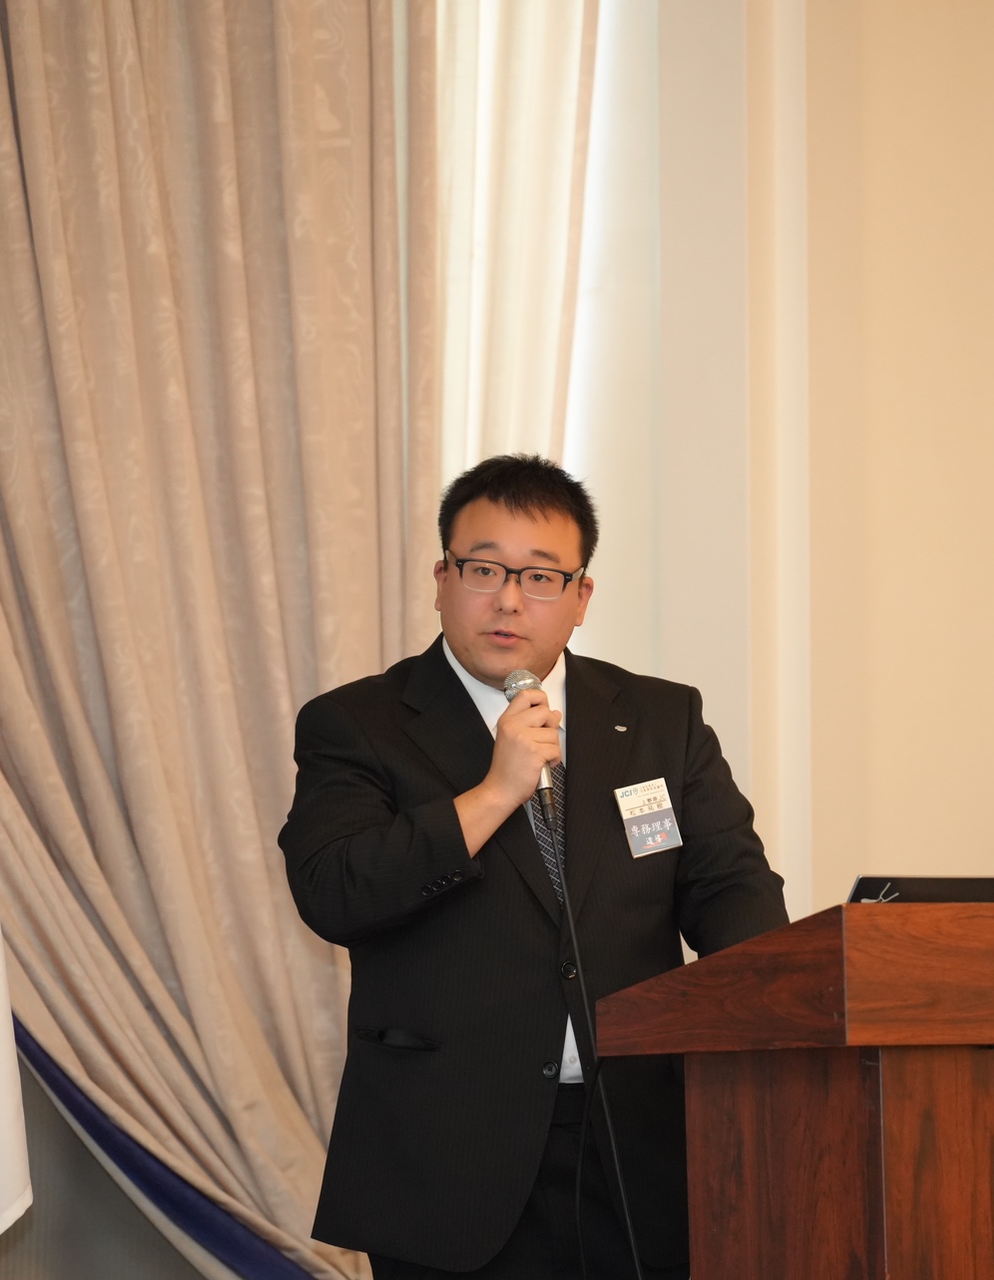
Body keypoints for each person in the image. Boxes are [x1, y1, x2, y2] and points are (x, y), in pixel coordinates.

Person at [280, 454, 788, 1279]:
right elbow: (336, 892)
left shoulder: (660, 719)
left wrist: (779, 1003)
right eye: (484, 569)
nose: (509, 600)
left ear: (581, 598)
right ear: (441, 580)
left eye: (542, 577)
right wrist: (494, 793)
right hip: (451, 1152)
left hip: (636, 1146)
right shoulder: (360, 724)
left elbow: (731, 888)